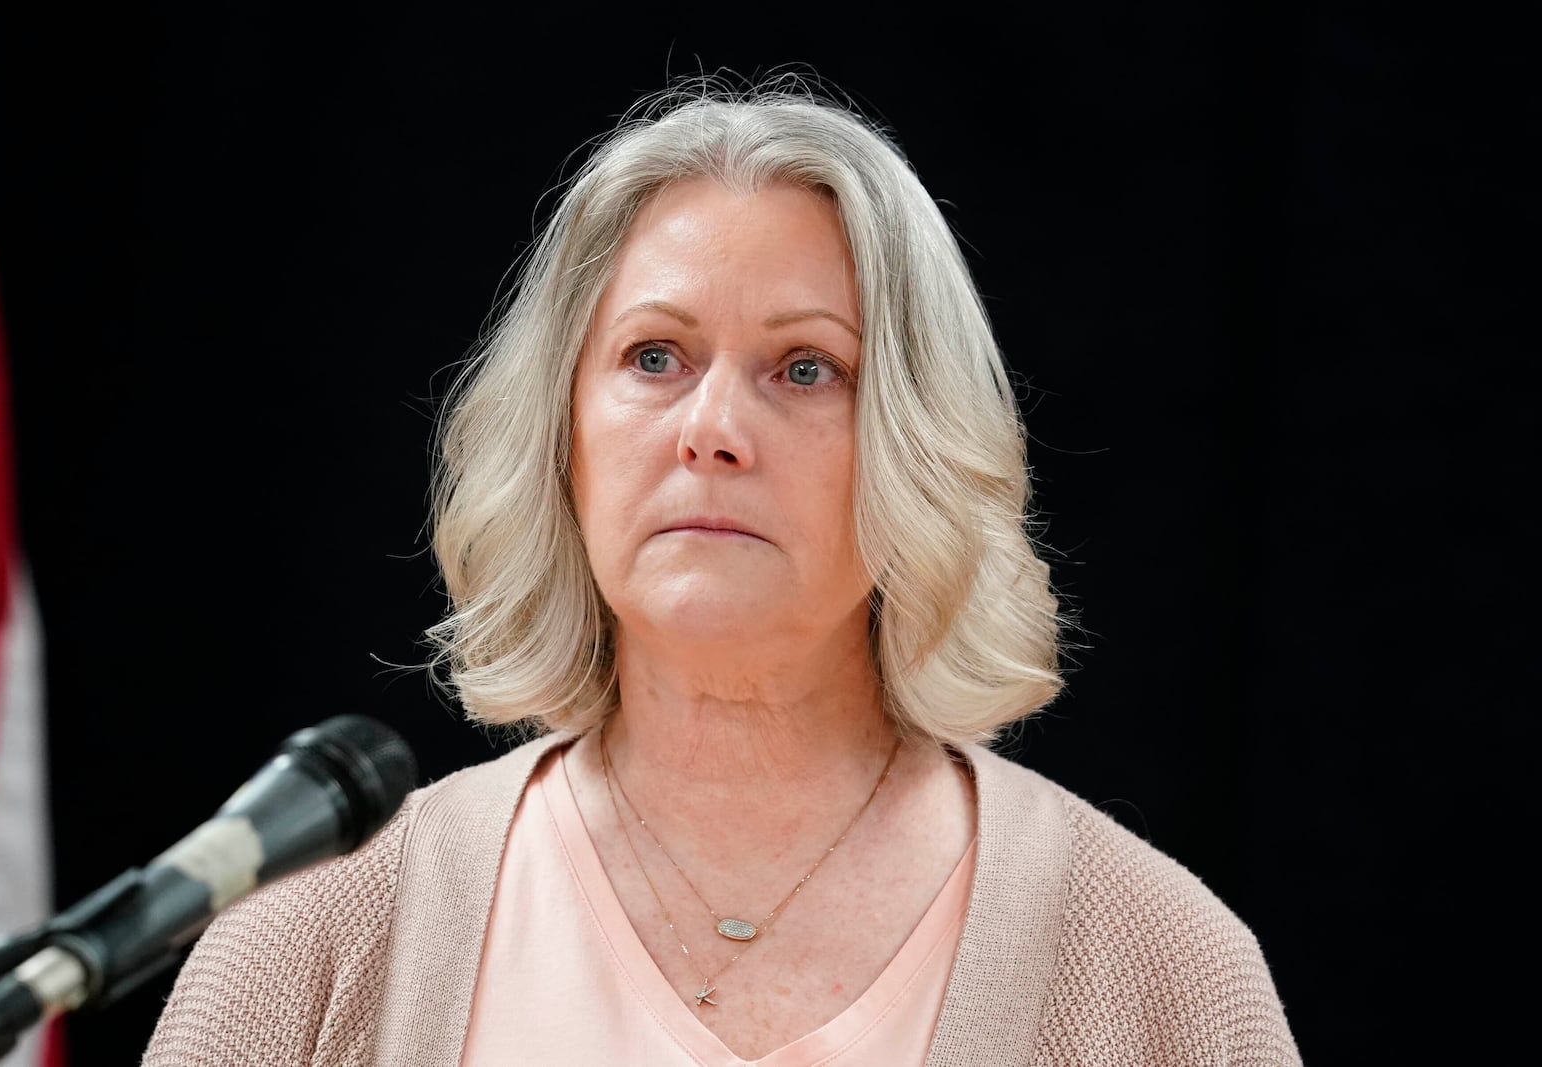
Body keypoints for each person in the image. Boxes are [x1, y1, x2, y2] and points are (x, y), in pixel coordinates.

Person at [142, 79, 1301, 1065]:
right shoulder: (312, 943)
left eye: (805, 368)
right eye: (655, 355)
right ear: (563, 437)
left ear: (917, 441)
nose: (712, 428)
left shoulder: (1161, 970)